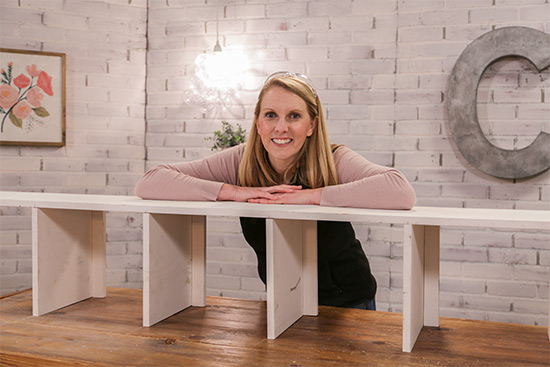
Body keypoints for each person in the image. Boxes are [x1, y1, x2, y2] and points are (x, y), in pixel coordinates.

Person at [134, 72, 416, 310]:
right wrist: (233, 192)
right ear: (258, 123)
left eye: (294, 116)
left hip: (349, 302)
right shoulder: (241, 162)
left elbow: (399, 191)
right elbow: (150, 181)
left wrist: (311, 196)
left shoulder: (333, 160)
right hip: (284, 303)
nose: (281, 127)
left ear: (311, 125)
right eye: (271, 115)